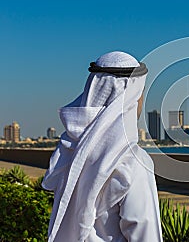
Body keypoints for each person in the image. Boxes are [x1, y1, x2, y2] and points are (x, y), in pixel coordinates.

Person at [42, 51, 162, 241]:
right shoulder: (133, 161)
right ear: (131, 95)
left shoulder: (69, 149)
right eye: (140, 93)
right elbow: (146, 234)